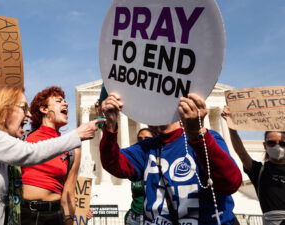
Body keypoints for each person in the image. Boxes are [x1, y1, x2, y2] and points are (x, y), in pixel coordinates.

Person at [0, 84, 103, 225]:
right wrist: (77, 135)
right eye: (24, 108)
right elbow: (29, 153)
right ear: (4, 108)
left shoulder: (2, 148)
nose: (29, 114)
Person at [99, 92, 242, 225]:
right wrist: (110, 127)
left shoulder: (208, 138)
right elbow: (113, 163)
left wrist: (196, 134)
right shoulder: (146, 148)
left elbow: (230, 183)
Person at [21, 86, 80, 225]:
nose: (66, 104)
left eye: (65, 101)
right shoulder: (22, 139)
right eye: (59, 101)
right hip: (22, 214)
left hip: (53, 216)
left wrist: (69, 221)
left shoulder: (72, 149)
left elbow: (69, 194)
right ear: (44, 109)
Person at [222, 106, 285, 224]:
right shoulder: (259, 170)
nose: (277, 147)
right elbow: (240, 152)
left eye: (282, 143)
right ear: (264, 145)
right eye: (271, 143)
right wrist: (231, 127)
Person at [124, 128, 157, 225]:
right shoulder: (136, 163)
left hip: (152, 218)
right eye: (140, 139)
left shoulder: (159, 163)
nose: (143, 141)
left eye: (147, 138)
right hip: (133, 218)